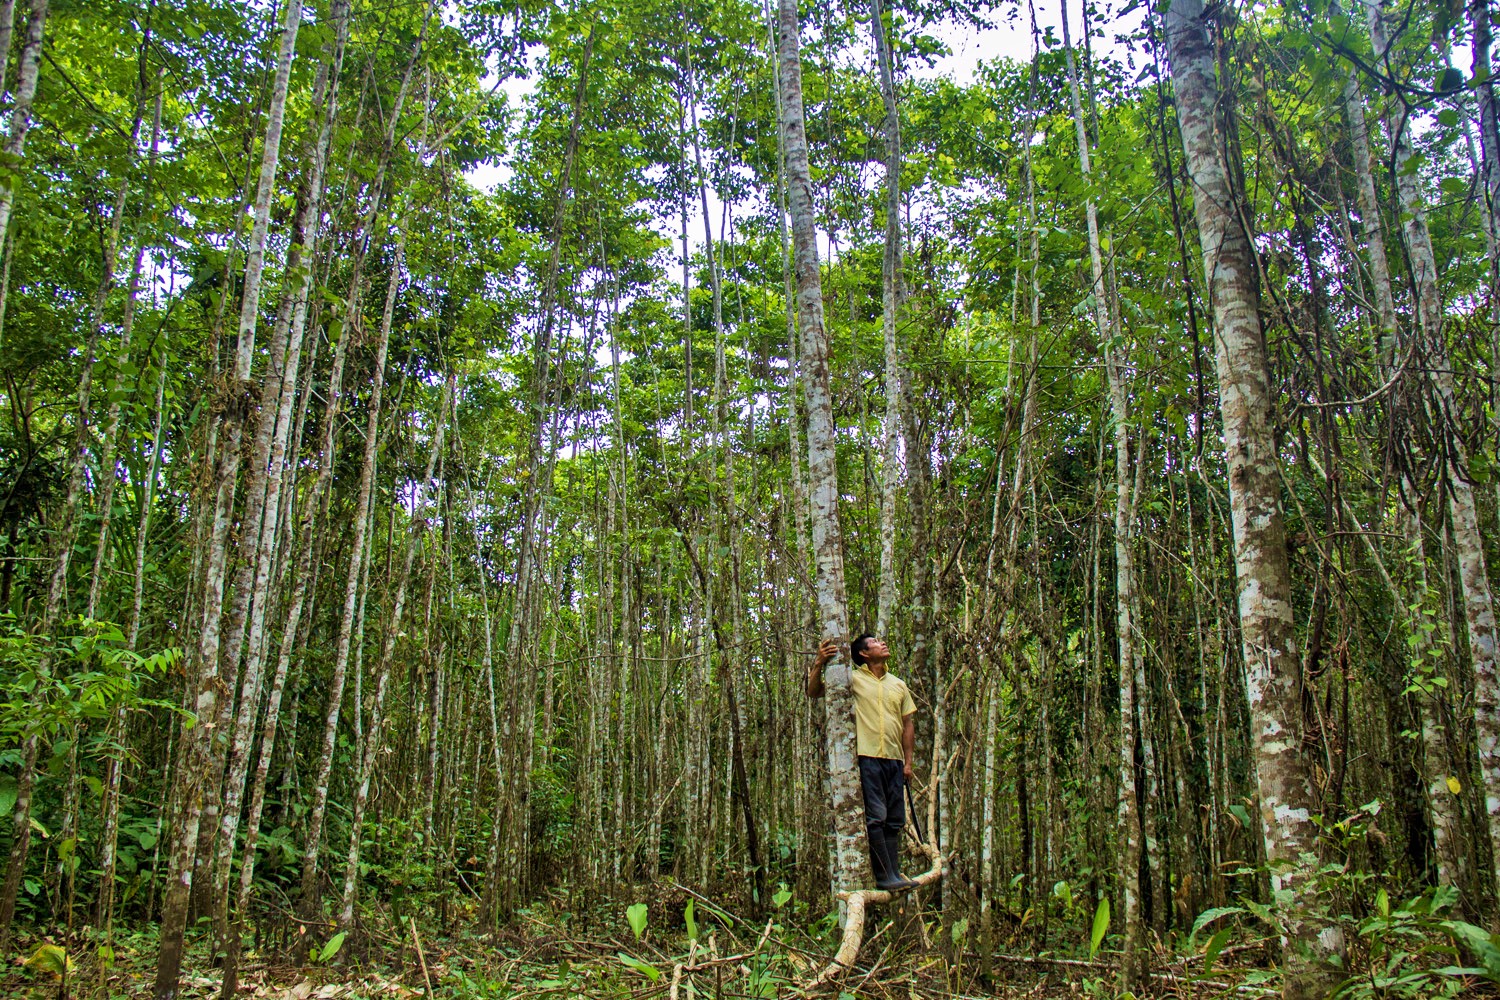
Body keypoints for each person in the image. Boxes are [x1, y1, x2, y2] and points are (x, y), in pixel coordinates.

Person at [806, 633, 919, 892]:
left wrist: (908, 762)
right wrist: (819, 663)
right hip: (868, 758)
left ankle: (894, 874)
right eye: (876, 642)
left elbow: (907, 724)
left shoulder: (898, 685)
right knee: (876, 817)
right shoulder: (852, 679)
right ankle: (883, 876)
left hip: (894, 760)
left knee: (894, 819)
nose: (883, 643)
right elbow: (814, 692)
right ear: (865, 654)